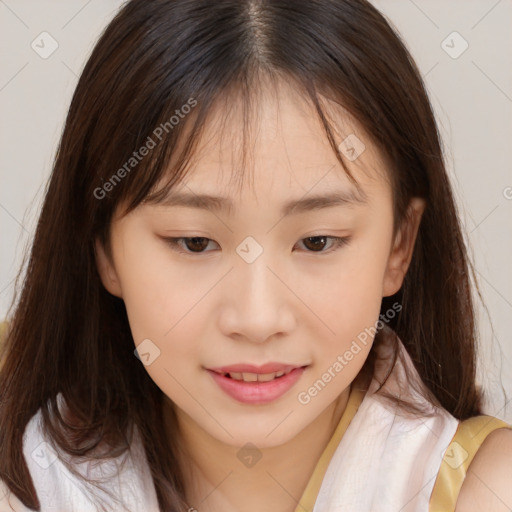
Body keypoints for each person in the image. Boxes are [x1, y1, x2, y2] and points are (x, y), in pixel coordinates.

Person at [0, 0, 511, 511]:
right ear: (105, 249)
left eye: (317, 241)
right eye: (195, 242)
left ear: (399, 246)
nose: (257, 319)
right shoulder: (23, 477)